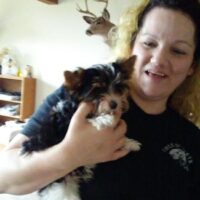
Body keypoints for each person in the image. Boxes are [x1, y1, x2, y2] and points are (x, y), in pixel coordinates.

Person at [0, 0, 200, 199]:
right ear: (132, 45)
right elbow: (3, 176)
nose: (158, 59)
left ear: (192, 65)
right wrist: (70, 154)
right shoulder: (80, 96)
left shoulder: (191, 139)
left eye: (178, 51)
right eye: (149, 43)